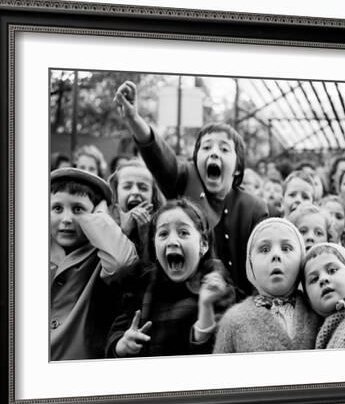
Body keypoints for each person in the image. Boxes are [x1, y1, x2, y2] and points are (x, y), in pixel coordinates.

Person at [114, 80, 269, 299]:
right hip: (185, 305)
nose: (214, 152)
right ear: (195, 160)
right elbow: (161, 157)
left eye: (224, 149)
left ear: (237, 168)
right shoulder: (185, 179)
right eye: (206, 147)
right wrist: (134, 119)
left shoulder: (253, 208)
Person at [105, 198, 236, 358]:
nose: (172, 241)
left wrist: (206, 306)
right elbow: (115, 335)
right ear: (154, 245)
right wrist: (122, 345)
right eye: (163, 234)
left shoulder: (216, 283)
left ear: (203, 245)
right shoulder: (141, 282)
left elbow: (220, 352)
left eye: (183, 233)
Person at [49, 168, 138, 360]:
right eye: (57, 208)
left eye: (78, 209)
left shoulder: (100, 254)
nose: (66, 219)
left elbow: (121, 262)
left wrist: (101, 217)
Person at [213, 218, 321, 353]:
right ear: (250, 263)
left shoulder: (317, 308)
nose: (276, 255)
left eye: (286, 248)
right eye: (264, 249)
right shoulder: (233, 320)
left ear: (301, 259)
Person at [108, 159, 164, 260]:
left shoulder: (162, 226)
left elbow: (150, 271)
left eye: (143, 188)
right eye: (127, 187)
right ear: (116, 193)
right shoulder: (105, 224)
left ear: (153, 195)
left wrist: (145, 235)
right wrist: (124, 232)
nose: (135, 192)